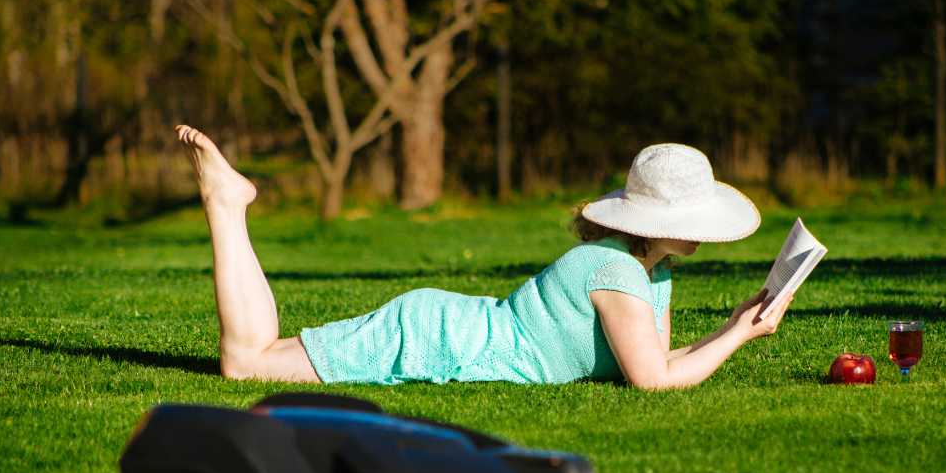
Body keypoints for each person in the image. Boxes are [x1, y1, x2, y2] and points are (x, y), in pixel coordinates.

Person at [175, 125, 793, 390]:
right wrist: (738, 337)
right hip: (440, 338)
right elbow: (654, 383)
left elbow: (651, 361)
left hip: (451, 330)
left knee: (254, 359)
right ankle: (226, 205)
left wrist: (732, 326)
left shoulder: (648, 270)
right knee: (247, 366)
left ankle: (229, 205)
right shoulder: (618, 270)